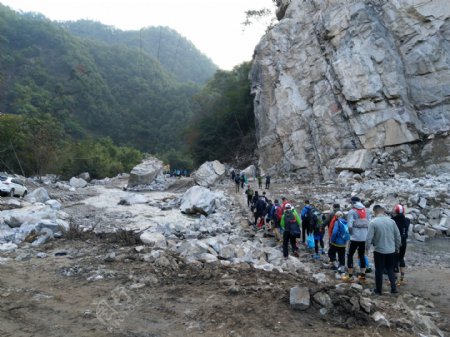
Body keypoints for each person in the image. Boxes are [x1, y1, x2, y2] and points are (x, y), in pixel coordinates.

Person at [366, 205, 401, 295]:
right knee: (390, 269)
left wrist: (367, 249)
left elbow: (369, 238)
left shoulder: (373, 222)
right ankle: (393, 288)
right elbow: (397, 236)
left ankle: (379, 290)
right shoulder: (391, 221)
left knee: (379, 270)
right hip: (391, 250)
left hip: (379, 251)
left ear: (374, 212)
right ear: (383, 211)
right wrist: (397, 247)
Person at [342, 196, 371, 283]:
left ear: (353, 203)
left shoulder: (352, 211)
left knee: (350, 255)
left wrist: (351, 234)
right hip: (364, 237)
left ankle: (350, 276)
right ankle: (362, 275)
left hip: (354, 238)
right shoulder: (367, 210)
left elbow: (350, 225)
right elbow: (370, 223)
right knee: (362, 255)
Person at [392, 204, 410, 285]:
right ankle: (402, 278)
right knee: (401, 259)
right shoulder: (407, 220)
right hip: (404, 242)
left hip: (396, 242)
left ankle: (395, 280)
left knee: (395, 260)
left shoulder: (393, 220)